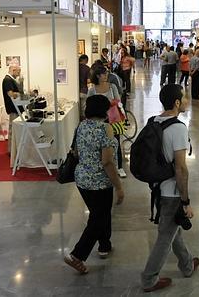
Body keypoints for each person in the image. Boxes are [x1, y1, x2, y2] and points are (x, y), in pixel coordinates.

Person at [141, 84, 199, 292]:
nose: (187, 101)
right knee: (165, 236)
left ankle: (187, 264)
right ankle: (149, 279)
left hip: (157, 186)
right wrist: (185, 201)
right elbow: (181, 168)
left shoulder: (155, 121)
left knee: (173, 229)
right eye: (184, 98)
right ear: (176, 102)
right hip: (171, 192)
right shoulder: (178, 128)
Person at [64, 94, 124, 274]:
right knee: (99, 218)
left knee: (100, 213)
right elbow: (107, 162)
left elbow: (75, 151)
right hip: (99, 182)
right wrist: (119, 187)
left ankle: (104, 245)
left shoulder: (81, 126)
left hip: (82, 179)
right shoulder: (106, 129)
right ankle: (78, 255)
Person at [88, 65, 127, 178]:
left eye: (106, 73)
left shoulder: (112, 86)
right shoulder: (92, 90)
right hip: (98, 121)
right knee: (99, 144)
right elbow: (89, 105)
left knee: (116, 142)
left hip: (113, 119)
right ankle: (101, 166)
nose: (106, 75)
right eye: (104, 74)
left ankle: (119, 167)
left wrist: (109, 103)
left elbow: (118, 100)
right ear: (97, 76)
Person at [2, 65, 22, 144]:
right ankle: (12, 151)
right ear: (13, 70)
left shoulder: (11, 79)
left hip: (16, 108)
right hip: (13, 108)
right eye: (18, 72)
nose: (18, 74)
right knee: (13, 130)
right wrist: (21, 94)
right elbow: (10, 94)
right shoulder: (7, 80)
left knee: (15, 129)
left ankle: (14, 149)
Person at [79, 55, 91, 119]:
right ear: (85, 60)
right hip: (83, 91)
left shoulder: (75, 66)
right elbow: (88, 81)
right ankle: (83, 120)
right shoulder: (87, 68)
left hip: (74, 91)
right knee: (83, 107)